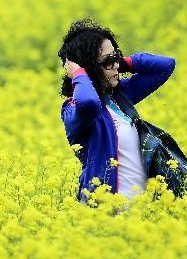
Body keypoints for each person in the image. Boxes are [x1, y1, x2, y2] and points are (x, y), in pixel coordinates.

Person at [58, 17, 176, 207]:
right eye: (107, 61)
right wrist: (79, 73)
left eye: (116, 57)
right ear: (87, 68)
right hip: (107, 215)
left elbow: (166, 66)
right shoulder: (73, 110)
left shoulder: (120, 96)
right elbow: (89, 102)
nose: (116, 66)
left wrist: (125, 62)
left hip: (143, 215)